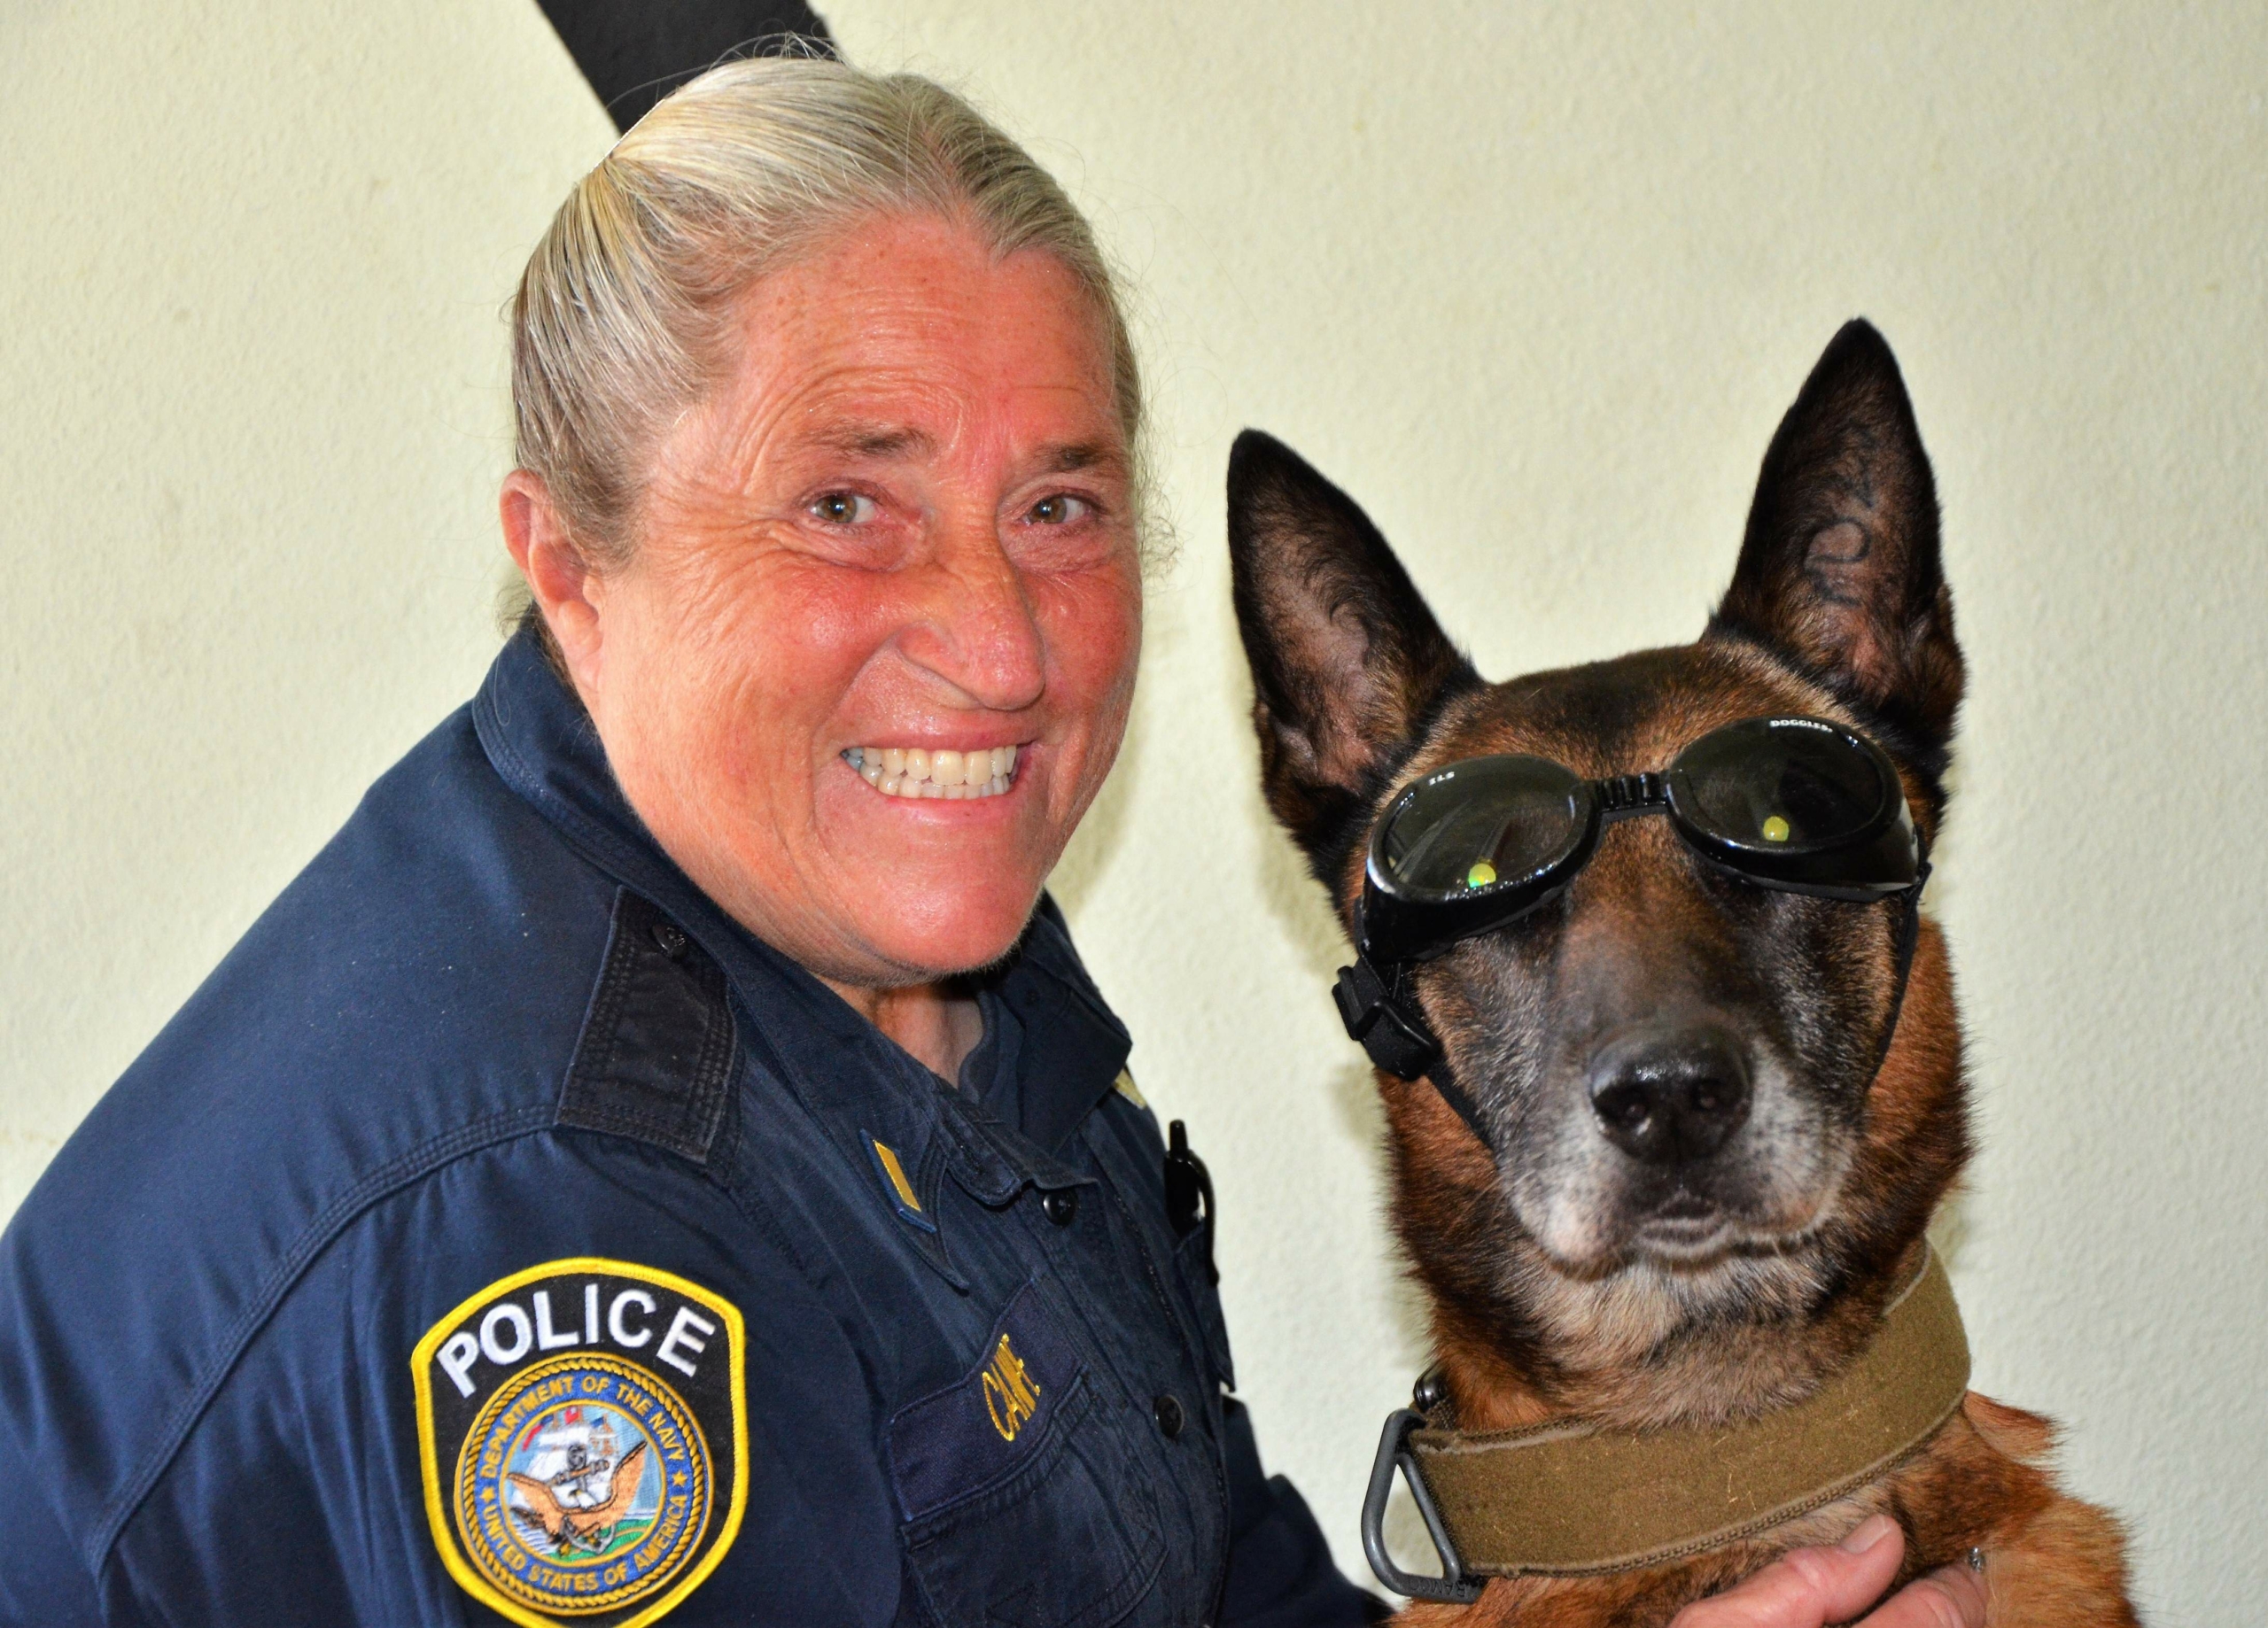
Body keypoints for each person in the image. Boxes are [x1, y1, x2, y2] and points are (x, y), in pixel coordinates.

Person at [0, 58, 1987, 1628]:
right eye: (845, 506)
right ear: (567, 569)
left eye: (1056, 504)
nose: (994, 644)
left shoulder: (923, 936)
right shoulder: (561, 1200)